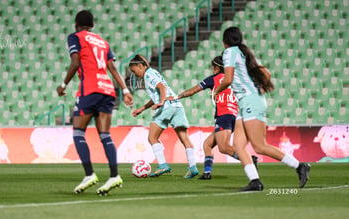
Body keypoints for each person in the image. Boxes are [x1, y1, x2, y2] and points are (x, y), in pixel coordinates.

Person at [213, 26, 310, 191]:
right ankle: (255, 181)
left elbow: (228, 79)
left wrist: (217, 91)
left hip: (250, 102)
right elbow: (266, 73)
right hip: (247, 102)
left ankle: (299, 166)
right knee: (238, 145)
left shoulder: (230, 53)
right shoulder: (243, 53)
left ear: (225, 41)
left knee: (259, 146)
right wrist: (258, 90)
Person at [57, 10, 133, 195]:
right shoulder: (102, 42)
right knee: (105, 135)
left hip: (89, 89)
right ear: (92, 25)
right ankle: (114, 175)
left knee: (78, 133)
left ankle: (89, 174)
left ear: (76, 24)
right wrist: (125, 90)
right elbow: (112, 67)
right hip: (107, 89)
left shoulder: (75, 37)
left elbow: (75, 62)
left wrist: (63, 84)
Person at [166, 56, 257, 180]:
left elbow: (194, 90)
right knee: (207, 144)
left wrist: (177, 97)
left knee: (224, 147)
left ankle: (250, 160)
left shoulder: (215, 79)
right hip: (234, 115)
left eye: (212, 67)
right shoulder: (232, 79)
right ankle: (207, 173)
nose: (212, 70)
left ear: (216, 68)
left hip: (224, 115)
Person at [129, 54, 198, 179]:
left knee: (152, 137)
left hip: (166, 106)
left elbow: (161, 87)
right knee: (184, 138)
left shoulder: (148, 75)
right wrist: (143, 108)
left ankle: (163, 165)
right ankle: (193, 167)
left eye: (134, 71)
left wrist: (161, 102)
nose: (134, 74)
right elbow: (155, 95)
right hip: (176, 106)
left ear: (140, 66)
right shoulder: (152, 72)